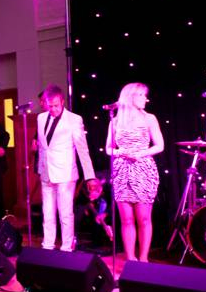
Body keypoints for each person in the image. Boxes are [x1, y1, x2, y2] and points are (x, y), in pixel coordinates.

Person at [105, 83, 164, 262]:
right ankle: (131, 259)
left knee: (144, 219)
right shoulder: (115, 120)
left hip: (143, 170)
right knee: (127, 220)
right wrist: (120, 152)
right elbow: (108, 148)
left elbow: (159, 145)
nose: (145, 99)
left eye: (145, 95)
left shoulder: (150, 119)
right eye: (140, 95)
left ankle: (144, 258)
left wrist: (140, 153)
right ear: (130, 97)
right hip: (122, 171)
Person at [36, 84, 96, 252]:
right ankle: (47, 246)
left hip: (65, 173)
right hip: (46, 173)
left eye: (56, 105)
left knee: (65, 214)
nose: (53, 109)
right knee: (47, 214)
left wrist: (90, 176)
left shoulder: (74, 120)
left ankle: (66, 248)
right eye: (49, 105)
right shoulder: (40, 118)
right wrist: (40, 168)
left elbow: (83, 150)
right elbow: (43, 147)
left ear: (62, 101)